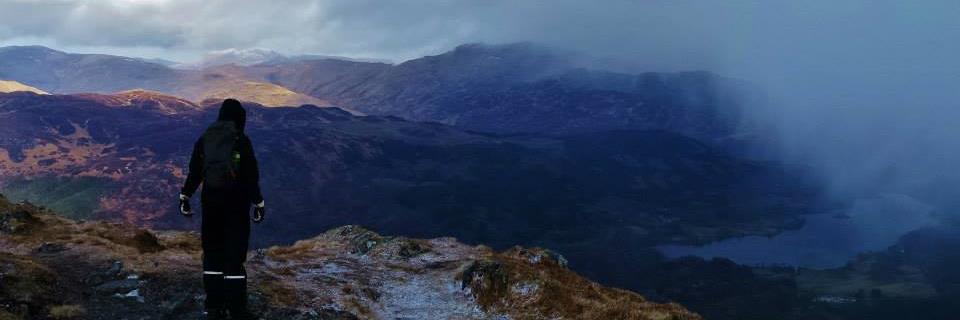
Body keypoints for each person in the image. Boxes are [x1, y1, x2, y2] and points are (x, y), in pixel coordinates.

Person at [179, 98, 266, 320]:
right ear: (240, 118)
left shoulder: (205, 139)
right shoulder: (241, 141)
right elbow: (250, 176)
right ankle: (236, 310)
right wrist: (258, 203)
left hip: (211, 204)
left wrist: (185, 196)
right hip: (236, 205)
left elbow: (195, 172)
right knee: (234, 257)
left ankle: (214, 307)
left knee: (212, 254)